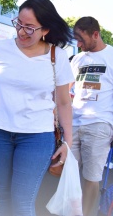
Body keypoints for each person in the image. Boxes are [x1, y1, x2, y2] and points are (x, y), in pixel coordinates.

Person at [0, 0, 74, 216]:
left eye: (29, 27)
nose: (21, 32)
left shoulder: (58, 56)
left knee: (22, 201)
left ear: (45, 29)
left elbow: (63, 102)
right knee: (3, 195)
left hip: (36, 136)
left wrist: (68, 142)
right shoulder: (0, 49)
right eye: (18, 24)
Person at [70, 16, 113, 216]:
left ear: (95, 34)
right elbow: (66, 89)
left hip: (100, 124)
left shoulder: (111, 56)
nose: (78, 44)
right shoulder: (78, 59)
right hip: (74, 123)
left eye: (81, 39)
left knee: (91, 177)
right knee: (69, 175)